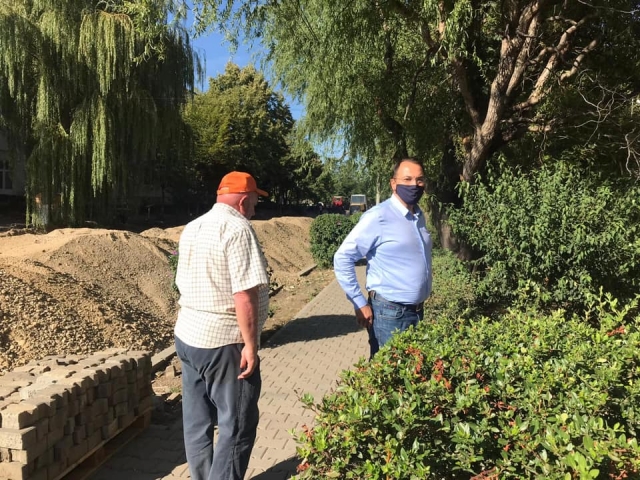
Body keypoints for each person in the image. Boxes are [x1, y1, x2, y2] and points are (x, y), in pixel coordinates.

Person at [174, 171, 270, 480]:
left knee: (197, 421)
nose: (255, 207)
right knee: (237, 424)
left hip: (188, 336)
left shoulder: (194, 226)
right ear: (243, 201)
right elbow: (244, 294)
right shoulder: (238, 228)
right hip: (223, 344)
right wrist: (250, 345)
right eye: (254, 200)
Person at [334, 157, 433, 358]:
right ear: (393, 183)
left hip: (417, 311)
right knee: (391, 372)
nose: (414, 185)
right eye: (407, 179)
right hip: (390, 314)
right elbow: (343, 258)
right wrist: (359, 302)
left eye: (419, 180)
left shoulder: (418, 216)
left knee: (412, 372)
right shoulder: (379, 216)